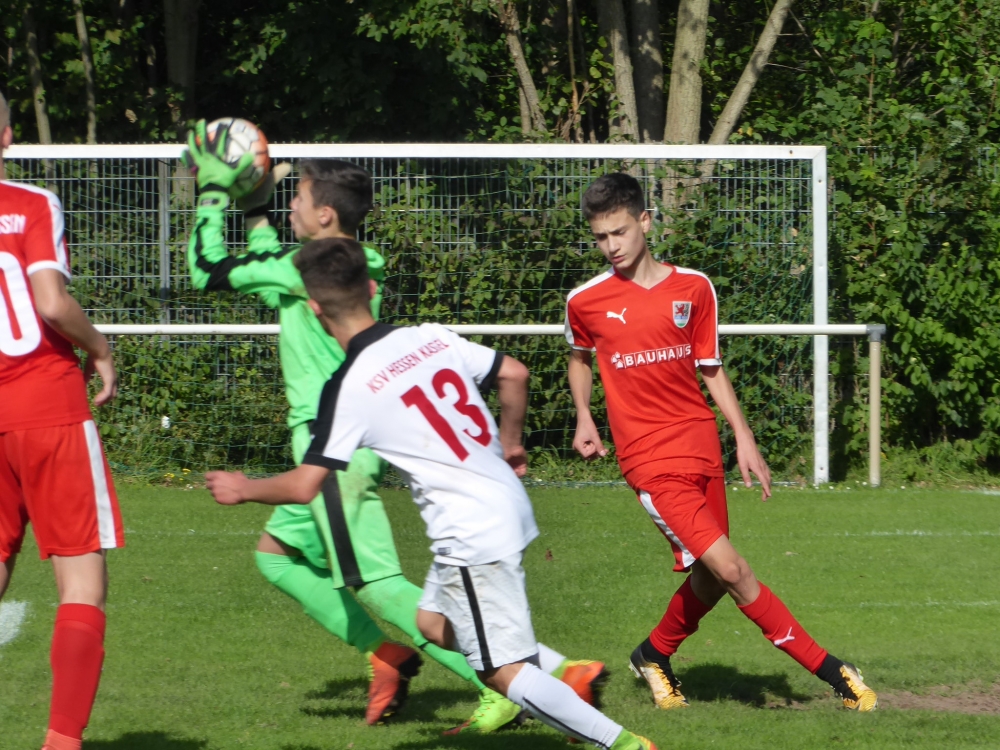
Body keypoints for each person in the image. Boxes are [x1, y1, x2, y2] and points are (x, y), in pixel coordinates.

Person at [181, 124, 603, 732]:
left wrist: (216, 190)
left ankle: (547, 675)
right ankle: (388, 654)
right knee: (275, 557)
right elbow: (268, 270)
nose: (289, 203)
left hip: (331, 444)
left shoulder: (299, 267)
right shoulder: (347, 264)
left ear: (324, 215)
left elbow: (206, 269)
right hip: (339, 442)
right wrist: (257, 210)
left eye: (297, 197)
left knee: (375, 584)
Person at [203, 236, 657, 750]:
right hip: (503, 502)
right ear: (371, 289)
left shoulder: (349, 386)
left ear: (313, 308)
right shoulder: (428, 337)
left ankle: (623, 744)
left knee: (499, 672)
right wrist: (511, 444)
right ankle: (562, 681)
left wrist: (245, 488)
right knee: (433, 624)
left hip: (469, 530)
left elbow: (306, 483)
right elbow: (514, 373)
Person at [565, 172, 878, 712]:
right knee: (733, 570)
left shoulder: (694, 288)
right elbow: (579, 357)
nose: (610, 246)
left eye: (619, 232)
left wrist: (744, 436)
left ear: (645, 221)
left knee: (711, 581)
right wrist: (583, 417)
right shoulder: (586, 300)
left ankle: (652, 655)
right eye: (600, 237)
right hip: (648, 460)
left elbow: (710, 367)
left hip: (700, 444)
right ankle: (836, 674)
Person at [0, 91, 125, 750]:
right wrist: (99, 348)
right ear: (7, 135)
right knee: (81, 582)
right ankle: (61, 741)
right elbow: (50, 303)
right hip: (47, 406)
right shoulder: (29, 203)